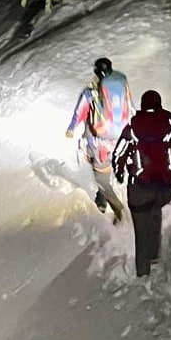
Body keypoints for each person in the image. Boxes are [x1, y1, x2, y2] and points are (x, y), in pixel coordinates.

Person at [112, 89, 171, 276]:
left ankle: (143, 274)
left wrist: (120, 173)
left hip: (139, 189)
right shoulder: (168, 126)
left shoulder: (132, 129)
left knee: (141, 230)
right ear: (159, 105)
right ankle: (154, 258)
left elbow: (117, 155)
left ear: (143, 107)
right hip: (166, 189)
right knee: (154, 207)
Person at [65, 57, 131, 224]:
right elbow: (130, 108)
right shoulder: (121, 85)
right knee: (109, 168)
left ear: (98, 72)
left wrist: (71, 129)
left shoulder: (91, 92)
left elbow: (79, 113)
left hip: (100, 141)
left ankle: (118, 209)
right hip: (121, 139)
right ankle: (102, 196)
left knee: (101, 177)